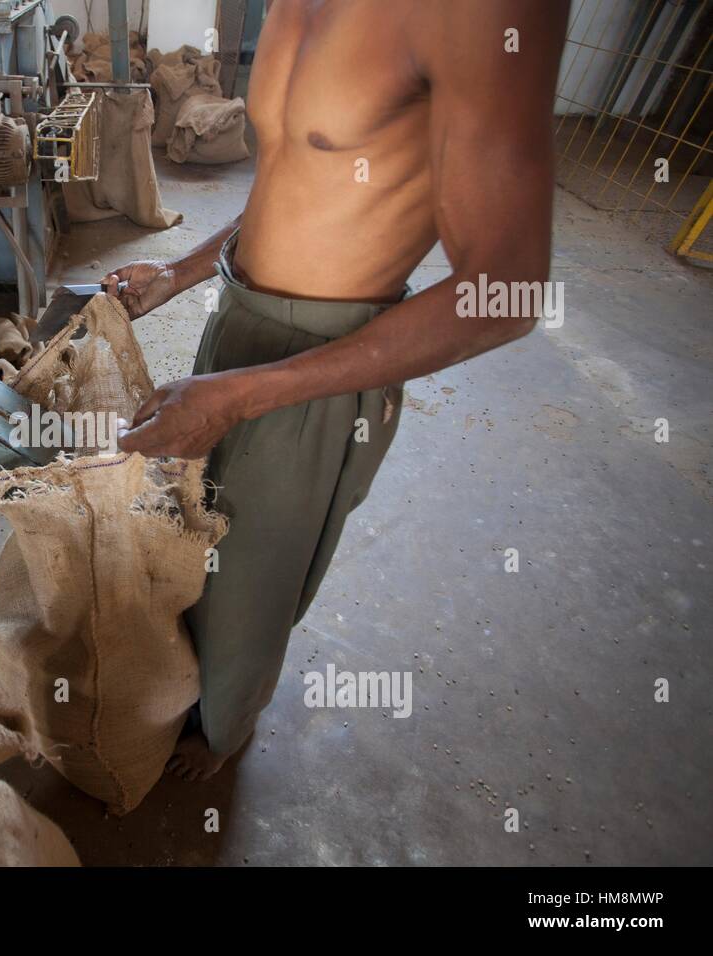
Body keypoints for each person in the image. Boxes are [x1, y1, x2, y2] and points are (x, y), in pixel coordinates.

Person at [102, 0, 570, 779]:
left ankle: (225, 733)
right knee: (190, 539)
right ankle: (196, 693)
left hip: (327, 361)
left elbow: (508, 289)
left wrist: (246, 395)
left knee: (252, 578)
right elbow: (297, 176)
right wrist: (180, 275)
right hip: (238, 324)